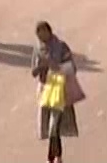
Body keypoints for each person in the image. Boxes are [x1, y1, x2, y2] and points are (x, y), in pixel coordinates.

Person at [32, 23, 80, 163]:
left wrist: (55, 66)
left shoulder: (61, 47)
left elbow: (72, 68)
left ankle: (52, 157)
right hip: (45, 90)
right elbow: (33, 72)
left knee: (54, 125)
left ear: (49, 31)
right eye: (39, 34)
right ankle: (57, 156)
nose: (41, 37)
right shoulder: (38, 49)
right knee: (50, 125)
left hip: (59, 89)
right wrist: (41, 66)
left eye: (43, 33)